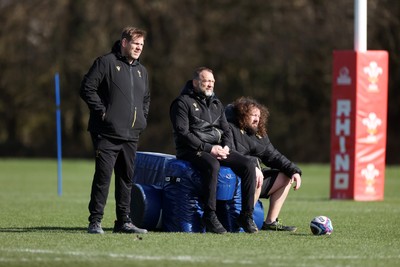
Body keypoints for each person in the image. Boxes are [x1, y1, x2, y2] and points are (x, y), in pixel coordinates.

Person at [170, 67, 259, 234]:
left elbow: (226, 130)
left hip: (217, 148)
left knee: (248, 164)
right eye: (206, 81)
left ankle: (246, 215)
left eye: (212, 81)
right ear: (196, 82)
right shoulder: (182, 103)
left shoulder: (216, 103)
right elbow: (183, 133)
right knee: (212, 165)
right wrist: (209, 149)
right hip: (191, 149)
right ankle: (210, 215)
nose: (210, 85)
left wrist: (226, 147)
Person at [80, 26, 150, 234]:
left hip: (131, 134)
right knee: (103, 177)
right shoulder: (105, 63)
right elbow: (87, 88)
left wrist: (142, 119)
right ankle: (95, 221)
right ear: (124, 43)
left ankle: (123, 222)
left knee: (126, 178)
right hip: (106, 132)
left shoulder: (141, 71)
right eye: (135, 43)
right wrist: (103, 112)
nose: (138, 48)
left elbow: (145, 99)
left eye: (141, 45)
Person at [225, 97, 302, 232]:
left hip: (256, 178)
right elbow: (229, 153)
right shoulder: (230, 128)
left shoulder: (260, 133)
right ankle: (245, 218)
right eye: (253, 115)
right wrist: (253, 166)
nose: (257, 119)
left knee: (286, 176)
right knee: (255, 175)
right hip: (236, 177)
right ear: (243, 114)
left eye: (259, 116)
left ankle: (270, 222)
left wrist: (294, 171)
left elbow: (273, 155)